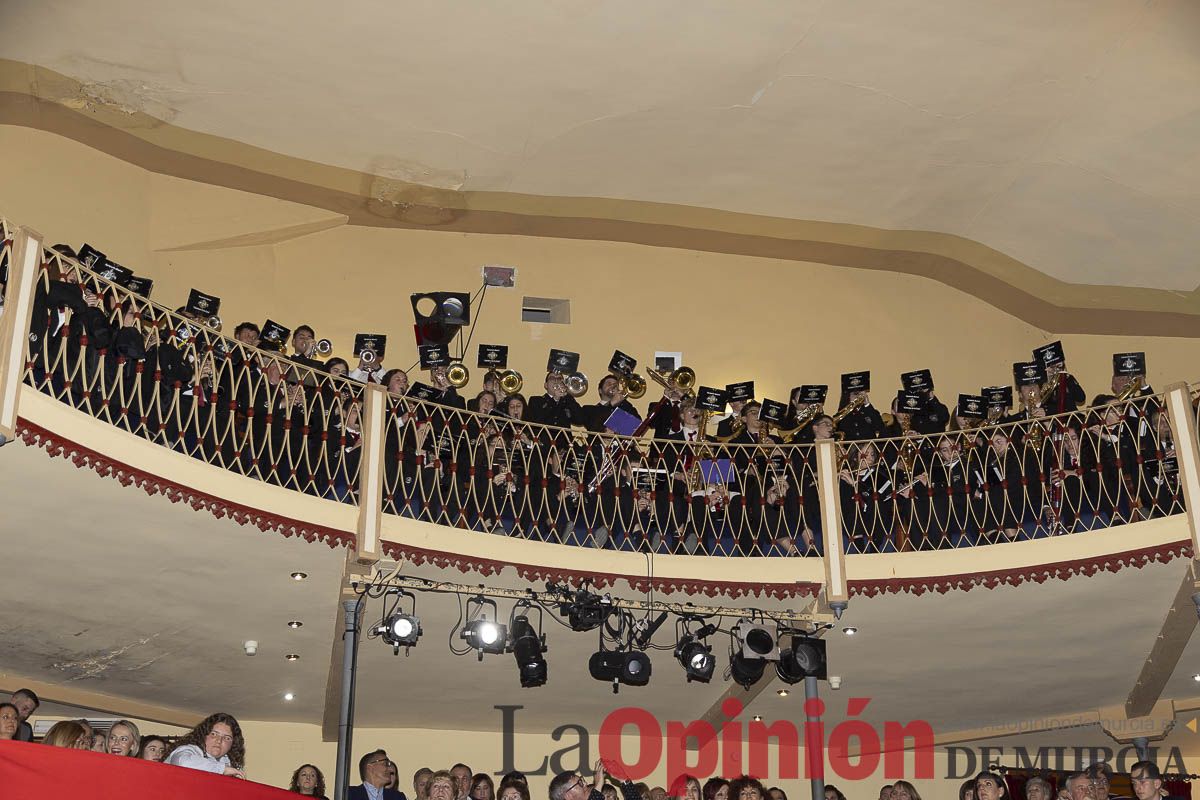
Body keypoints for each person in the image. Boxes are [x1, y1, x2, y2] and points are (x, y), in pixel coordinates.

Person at [165, 712, 246, 779]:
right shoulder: (188, 749)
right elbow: (183, 762)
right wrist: (222, 769)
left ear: (233, 744)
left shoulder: (228, 763)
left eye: (227, 738)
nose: (219, 740)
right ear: (203, 735)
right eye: (214, 734)